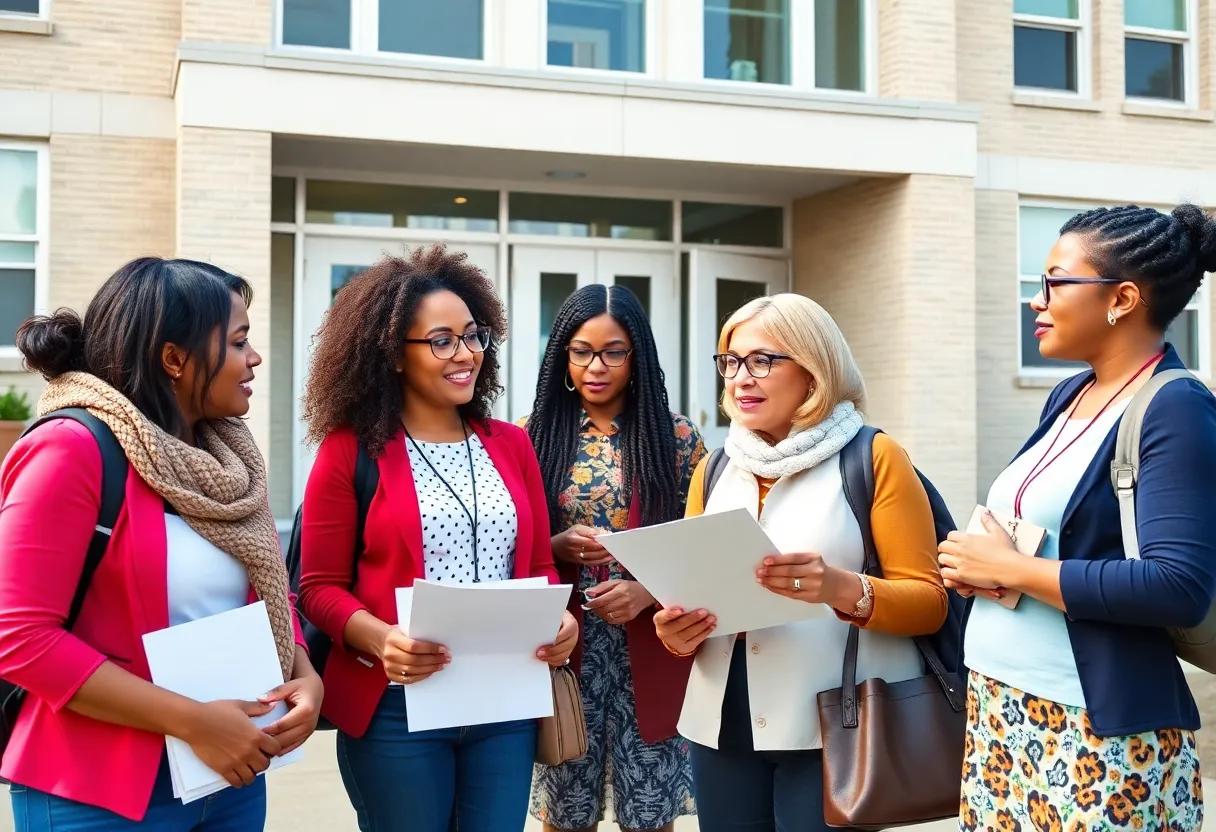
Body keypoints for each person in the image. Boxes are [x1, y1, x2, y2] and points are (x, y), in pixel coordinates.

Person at [0, 257, 322, 830]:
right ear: (175, 359)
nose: (255, 359)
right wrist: (193, 721)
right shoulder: (72, 449)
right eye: (239, 342)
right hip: (100, 791)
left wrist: (304, 671)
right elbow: (19, 637)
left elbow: (261, 588)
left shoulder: (226, 460)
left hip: (230, 776)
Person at [940, 204, 1216, 832]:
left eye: (1055, 283)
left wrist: (1015, 567)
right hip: (1000, 712)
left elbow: (1179, 586)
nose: (1036, 302)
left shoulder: (1175, 406)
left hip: (1091, 731)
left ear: (1121, 299)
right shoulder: (1071, 393)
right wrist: (980, 566)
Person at [297, 245, 579, 832]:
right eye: (442, 340)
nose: (466, 354)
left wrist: (561, 621)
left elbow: (535, 568)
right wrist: (382, 640)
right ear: (393, 356)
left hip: (505, 699)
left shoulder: (511, 444)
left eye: (474, 336)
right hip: (395, 704)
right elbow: (319, 590)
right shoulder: (349, 451)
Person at [653, 293, 948, 832]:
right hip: (720, 724)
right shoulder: (713, 469)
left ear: (814, 373)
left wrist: (840, 588)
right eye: (731, 361)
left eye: (762, 360)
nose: (741, 377)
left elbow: (929, 604)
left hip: (837, 725)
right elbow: (688, 600)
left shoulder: (873, 456)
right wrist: (677, 633)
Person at [521, 284, 705, 832]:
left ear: (636, 355)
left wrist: (646, 590)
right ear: (562, 356)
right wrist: (556, 547)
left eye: (613, 351)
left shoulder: (673, 439)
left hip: (650, 642)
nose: (595, 366)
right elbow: (516, 543)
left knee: (648, 816)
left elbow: (704, 542)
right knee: (566, 811)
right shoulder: (534, 437)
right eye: (581, 351)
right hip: (563, 644)